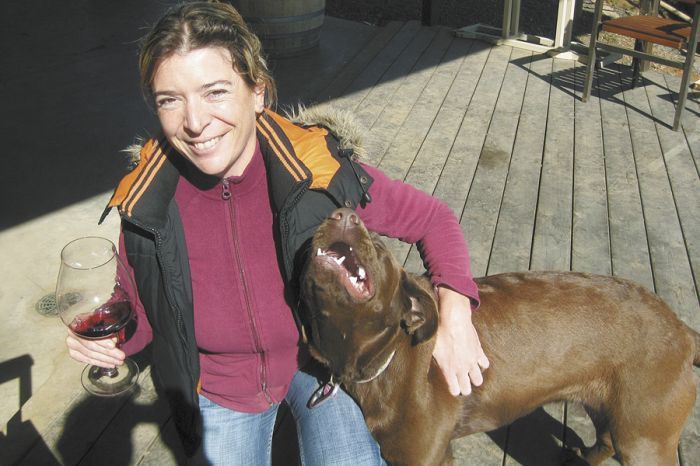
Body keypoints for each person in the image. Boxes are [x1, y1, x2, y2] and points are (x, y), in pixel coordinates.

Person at [65, 1, 489, 464]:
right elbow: (144, 315)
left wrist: (457, 314)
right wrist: (111, 342)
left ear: (258, 92)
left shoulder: (319, 171)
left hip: (323, 366)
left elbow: (433, 219)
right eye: (171, 99)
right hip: (222, 389)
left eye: (216, 92)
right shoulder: (147, 204)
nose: (195, 122)